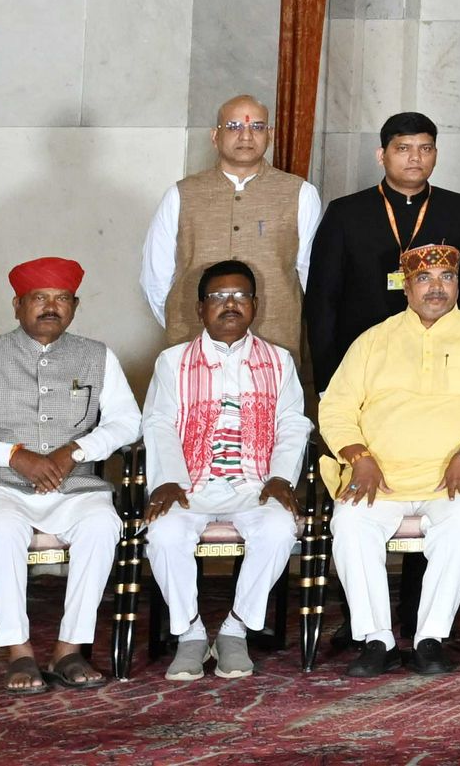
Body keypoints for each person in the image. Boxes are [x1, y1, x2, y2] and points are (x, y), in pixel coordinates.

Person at [0, 258, 140, 692]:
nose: (51, 307)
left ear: (75, 306)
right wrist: (13, 456)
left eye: (62, 299)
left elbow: (127, 423)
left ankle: (68, 649)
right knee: (3, 527)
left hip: (75, 485)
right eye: (40, 298)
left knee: (103, 524)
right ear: (17, 305)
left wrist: (76, 451)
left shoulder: (98, 356)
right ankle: (19, 653)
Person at [318, 244, 460, 674]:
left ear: (458, 285)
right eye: (424, 279)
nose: (436, 288)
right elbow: (335, 409)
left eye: (447, 277)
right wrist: (359, 457)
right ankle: (377, 640)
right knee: (349, 523)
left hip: (452, 477)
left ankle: (430, 639)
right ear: (406, 288)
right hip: (379, 476)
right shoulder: (373, 340)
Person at [142, 260, 308, 681]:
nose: (229, 304)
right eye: (218, 296)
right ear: (200, 307)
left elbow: (293, 423)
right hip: (189, 484)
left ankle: (235, 630)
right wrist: (168, 480)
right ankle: (191, 634)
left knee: (279, 528)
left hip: (255, 483)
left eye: (239, 296)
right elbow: (158, 423)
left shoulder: (279, 360)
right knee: (164, 532)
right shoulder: (172, 361)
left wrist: (281, 476)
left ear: (255, 305)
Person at [305, 112, 460, 398]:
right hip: (362, 360)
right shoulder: (345, 213)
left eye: (425, 148)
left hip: (445, 360)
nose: (415, 158)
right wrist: (327, 380)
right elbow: (321, 302)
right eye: (403, 148)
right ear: (381, 155)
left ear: (435, 155)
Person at [142, 94, 318, 355]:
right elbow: (155, 277)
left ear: (270, 135)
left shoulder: (300, 193)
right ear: (215, 136)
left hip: (275, 342)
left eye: (257, 127)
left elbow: (311, 276)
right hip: (193, 340)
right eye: (234, 126)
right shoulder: (181, 194)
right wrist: (181, 323)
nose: (246, 136)